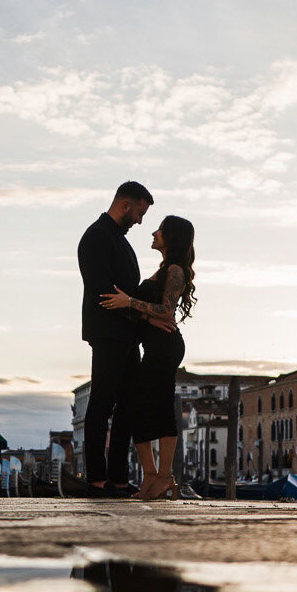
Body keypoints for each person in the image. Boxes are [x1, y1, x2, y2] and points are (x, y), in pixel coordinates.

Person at [102, 214, 195, 503]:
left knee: (160, 407)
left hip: (165, 348)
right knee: (137, 408)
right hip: (154, 346)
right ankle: (151, 477)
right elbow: (155, 310)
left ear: (171, 238)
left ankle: (164, 477)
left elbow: (167, 311)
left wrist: (129, 302)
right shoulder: (163, 269)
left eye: (160, 230)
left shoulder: (176, 270)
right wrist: (144, 314)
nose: (154, 233)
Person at [76, 181, 154, 497]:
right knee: (102, 405)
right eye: (139, 212)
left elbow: (126, 292)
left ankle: (119, 479)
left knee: (128, 408)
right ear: (125, 204)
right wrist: (138, 310)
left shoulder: (117, 240)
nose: (140, 220)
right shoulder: (96, 237)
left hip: (125, 335)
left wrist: (137, 306)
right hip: (108, 334)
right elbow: (104, 293)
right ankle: (97, 480)